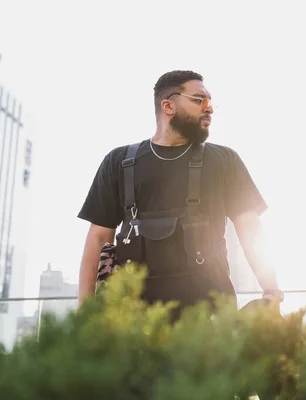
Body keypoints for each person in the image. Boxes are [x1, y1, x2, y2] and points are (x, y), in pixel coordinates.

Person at [77, 70, 283, 319]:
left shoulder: (225, 160)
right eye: (199, 100)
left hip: (209, 320)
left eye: (210, 101)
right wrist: (84, 314)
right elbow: (99, 238)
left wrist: (271, 291)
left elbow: (250, 228)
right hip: (132, 321)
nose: (209, 109)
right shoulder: (118, 162)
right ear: (168, 105)